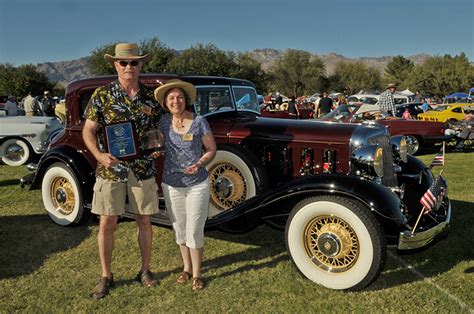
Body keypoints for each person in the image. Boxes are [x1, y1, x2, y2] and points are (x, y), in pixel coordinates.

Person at [82, 43, 161, 299]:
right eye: (123, 63)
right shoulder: (102, 95)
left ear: (141, 65)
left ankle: (145, 271)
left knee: (145, 220)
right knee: (107, 222)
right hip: (110, 169)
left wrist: (156, 146)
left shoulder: (152, 97)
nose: (129, 67)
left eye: (134, 63)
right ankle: (106, 275)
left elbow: (157, 131)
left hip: (142, 168)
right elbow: (88, 130)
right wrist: (98, 155)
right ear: (115, 64)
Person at [154, 79, 216, 291]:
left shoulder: (199, 121)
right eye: (171, 98)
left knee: (194, 228)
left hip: (196, 184)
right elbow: (159, 145)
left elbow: (211, 149)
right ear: (165, 102)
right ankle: (186, 269)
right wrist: (155, 149)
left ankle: (197, 275)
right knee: (179, 228)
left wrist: (199, 163)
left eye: (179, 97)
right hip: (171, 184)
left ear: (186, 100)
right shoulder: (163, 122)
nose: (176, 101)